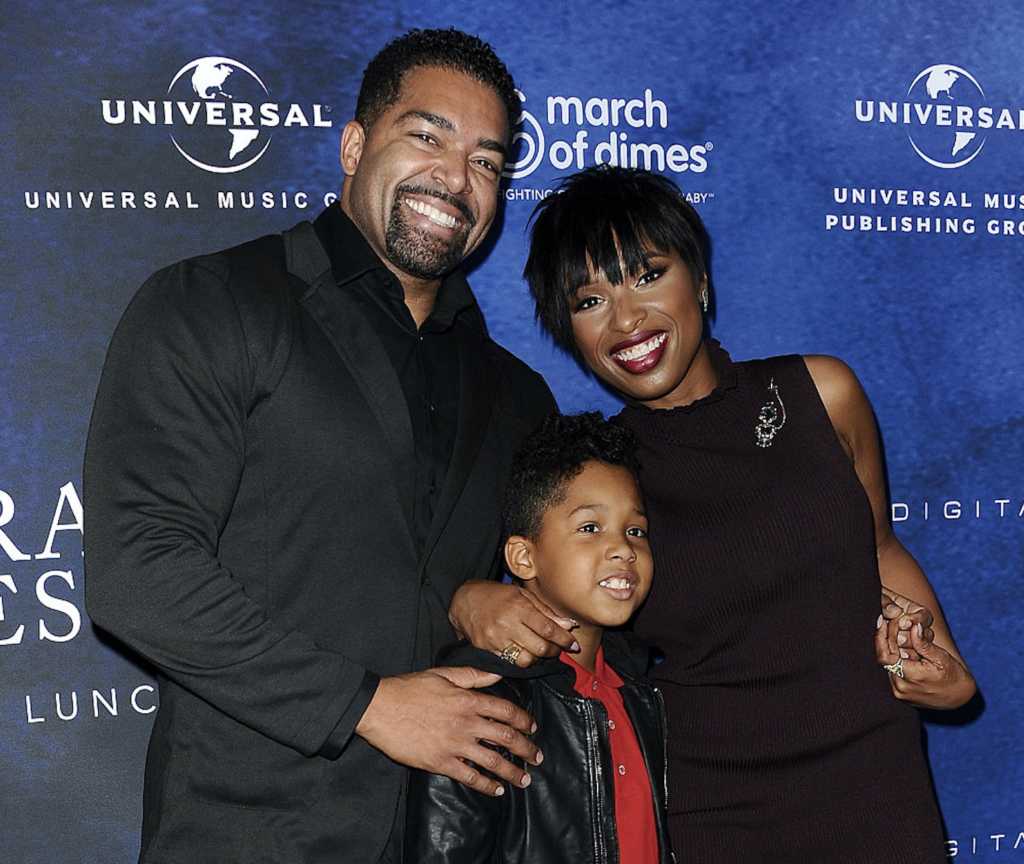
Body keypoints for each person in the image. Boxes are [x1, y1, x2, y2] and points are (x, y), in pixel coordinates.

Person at [83, 29, 572, 864]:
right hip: (246, 831)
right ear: (353, 145)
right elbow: (138, 571)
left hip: (449, 837)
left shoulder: (518, 394)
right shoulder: (215, 303)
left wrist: (471, 597)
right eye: (427, 136)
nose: (455, 178)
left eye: (487, 163)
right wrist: (367, 705)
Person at [450, 165, 976, 863]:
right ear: (568, 331)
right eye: (589, 300)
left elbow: (878, 549)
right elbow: (550, 619)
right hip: (714, 814)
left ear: (699, 279)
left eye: (646, 275)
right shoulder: (606, 478)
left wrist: (943, 666)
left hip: (876, 785)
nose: (626, 319)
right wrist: (467, 597)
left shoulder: (822, 394)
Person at [406, 412, 674, 864]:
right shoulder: (484, 698)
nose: (624, 549)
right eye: (590, 528)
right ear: (523, 557)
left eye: (636, 531)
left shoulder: (643, 693)